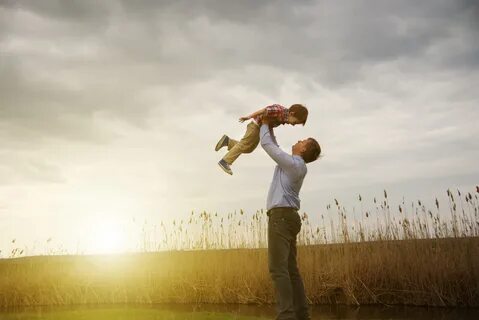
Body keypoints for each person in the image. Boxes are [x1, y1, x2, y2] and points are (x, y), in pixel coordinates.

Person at [260, 115, 321, 320]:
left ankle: (286, 316)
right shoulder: (294, 164)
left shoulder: (295, 165)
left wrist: (264, 123)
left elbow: (268, 145)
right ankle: (302, 315)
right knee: (290, 270)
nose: (298, 140)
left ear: (304, 149)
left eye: (303, 141)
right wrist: (271, 126)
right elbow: (275, 145)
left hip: (281, 217)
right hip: (289, 218)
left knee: (278, 269)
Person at [215, 104, 308, 175]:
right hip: (255, 126)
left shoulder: (283, 118)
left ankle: (228, 141)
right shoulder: (279, 110)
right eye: (295, 122)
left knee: (249, 148)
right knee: (244, 145)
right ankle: (225, 161)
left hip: (259, 129)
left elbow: (269, 126)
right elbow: (264, 110)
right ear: (292, 114)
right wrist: (249, 116)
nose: (293, 124)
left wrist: (273, 140)